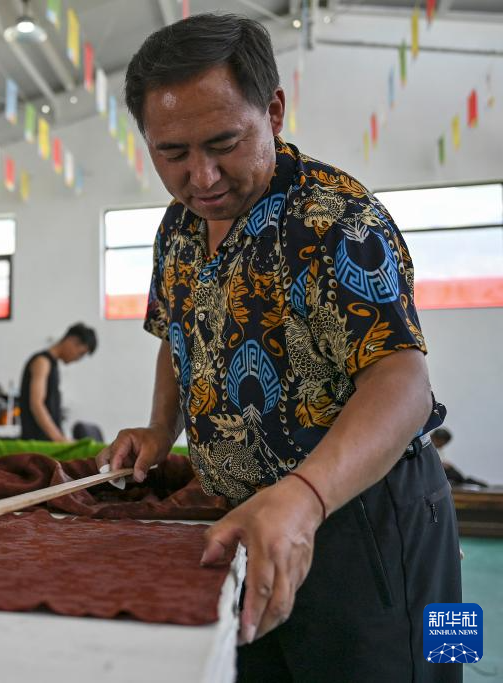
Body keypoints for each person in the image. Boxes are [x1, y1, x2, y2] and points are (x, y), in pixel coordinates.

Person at [98, 14, 460, 682]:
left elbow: (403, 384)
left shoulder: (336, 219)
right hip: (248, 521)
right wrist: (158, 429)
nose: (201, 175)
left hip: (374, 519)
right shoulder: (178, 228)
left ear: (273, 111)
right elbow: (180, 335)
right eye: (171, 153)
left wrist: (305, 496)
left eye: (223, 143)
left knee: (424, 665)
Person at [18, 323, 97, 442]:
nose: (77, 359)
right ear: (72, 340)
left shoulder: (52, 365)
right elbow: (37, 404)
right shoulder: (42, 362)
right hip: (37, 444)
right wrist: (59, 438)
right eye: (80, 353)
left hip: (47, 442)